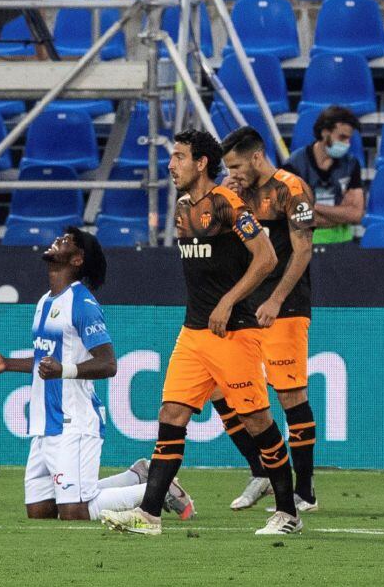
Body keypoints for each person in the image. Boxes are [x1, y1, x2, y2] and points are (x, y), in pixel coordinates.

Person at [99, 129, 302, 537]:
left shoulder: (228, 204)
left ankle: (288, 513)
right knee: (170, 415)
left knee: (257, 420)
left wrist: (228, 301)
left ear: (201, 162)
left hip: (234, 333)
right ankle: (150, 515)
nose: (171, 165)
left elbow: (267, 258)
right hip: (193, 333)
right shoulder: (181, 209)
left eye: (178, 157)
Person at [0, 228, 193, 521]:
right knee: (40, 512)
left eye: (66, 241)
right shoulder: (45, 301)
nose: (57, 240)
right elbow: (48, 362)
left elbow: (108, 364)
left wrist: (64, 371)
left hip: (74, 421)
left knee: (76, 511)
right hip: (45, 422)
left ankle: (160, 487)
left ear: (78, 260)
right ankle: (137, 476)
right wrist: (8, 363)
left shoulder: (83, 304)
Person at [207, 126, 319, 514]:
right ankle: (261, 471)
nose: (232, 171)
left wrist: (275, 298)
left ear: (257, 157)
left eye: (236, 164)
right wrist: (222, 194)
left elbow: (303, 250)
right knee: (220, 388)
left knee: (289, 394)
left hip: (282, 305)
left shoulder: (292, 189)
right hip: (242, 306)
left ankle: (304, 492)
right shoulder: (232, 193)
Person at [282, 105, 365, 244]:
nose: (346, 144)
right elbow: (293, 216)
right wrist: (341, 214)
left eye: (349, 139)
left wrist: (314, 206)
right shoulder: (293, 165)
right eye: (342, 137)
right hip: (303, 244)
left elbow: (356, 215)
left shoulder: (351, 164)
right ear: (325, 132)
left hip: (342, 243)